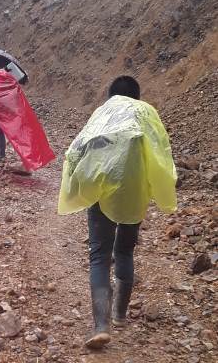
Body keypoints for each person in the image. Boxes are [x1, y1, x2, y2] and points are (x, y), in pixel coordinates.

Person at [58, 76, 177, 349]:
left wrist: (74, 185)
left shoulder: (103, 113)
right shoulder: (145, 111)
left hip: (100, 186)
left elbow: (77, 148)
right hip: (133, 189)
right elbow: (161, 152)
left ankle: (101, 326)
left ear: (110, 95)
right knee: (124, 251)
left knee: (99, 255)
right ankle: (120, 315)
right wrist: (161, 188)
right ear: (138, 95)